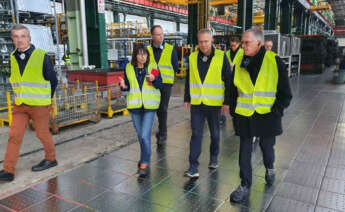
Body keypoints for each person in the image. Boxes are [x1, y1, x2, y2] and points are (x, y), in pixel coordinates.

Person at [229, 29, 292, 202]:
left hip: (267, 116)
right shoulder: (239, 62)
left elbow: (286, 94)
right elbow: (233, 91)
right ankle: (245, 184)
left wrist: (276, 112)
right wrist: (234, 114)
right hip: (245, 115)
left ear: (259, 43)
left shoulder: (275, 62)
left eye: (246, 42)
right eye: (242, 42)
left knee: (267, 148)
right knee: (244, 152)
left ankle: (270, 168)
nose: (243, 46)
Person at [0, 24, 58, 182]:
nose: (20, 40)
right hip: (20, 105)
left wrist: (47, 100)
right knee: (14, 136)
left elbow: (53, 81)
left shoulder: (41, 55)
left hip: (39, 105)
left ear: (29, 38)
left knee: (42, 133)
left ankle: (51, 159)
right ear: (12, 39)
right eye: (16, 37)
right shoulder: (12, 56)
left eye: (23, 36)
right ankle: (8, 170)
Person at [184, 29, 231, 178]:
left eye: (206, 41)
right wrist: (187, 98)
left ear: (212, 41)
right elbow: (188, 78)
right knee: (196, 134)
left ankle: (214, 157)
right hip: (197, 102)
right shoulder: (192, 57)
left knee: (215, 134)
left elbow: (228, 81)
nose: (203, 45)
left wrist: (227, 102)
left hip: (214, 103)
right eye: (201, 41)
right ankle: (193, 167)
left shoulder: (221, 56)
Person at [120, 44, 162, 177]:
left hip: (149, 107)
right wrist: (123, 86)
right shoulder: (128, 68)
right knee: (141, 136)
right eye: (139, 54)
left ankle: (144, 162)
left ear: (147, 56)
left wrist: (155, 80)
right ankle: (144, 156)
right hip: (135, 107)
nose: (142, 57)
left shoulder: (153, 67)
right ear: (135, 56)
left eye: (145, 54)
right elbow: (127, 87)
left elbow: (161, 85)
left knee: (144, 135)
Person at [147, 25, 179, 147]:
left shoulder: (170, 49)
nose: (161, 36)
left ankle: (162, 134)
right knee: (151, 108)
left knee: (163, 109)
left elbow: (175, 66)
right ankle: (157, 132)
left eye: (162, 34)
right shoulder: (147, 50)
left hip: (165, 84)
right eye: (158, 34)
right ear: (152, 36)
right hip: (151, 84)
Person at [222, 36, 244, 125]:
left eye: (234, 45)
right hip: (229, 79)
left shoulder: (243, 52)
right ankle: (228, 115)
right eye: (231, 46)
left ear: (239, 44)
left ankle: (238, 116)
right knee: (228, 98)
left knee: (238, 99)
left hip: (239, 80)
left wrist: (234, 66)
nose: (232, 47)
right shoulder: (226, 53)